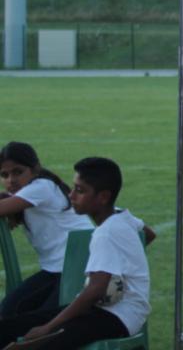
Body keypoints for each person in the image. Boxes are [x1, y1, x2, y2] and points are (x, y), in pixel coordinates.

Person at [0, 157, 151, 349]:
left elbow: (95, 291)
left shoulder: (106, 233)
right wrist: (125, 264)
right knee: (10, 327)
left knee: (42, 341)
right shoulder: (122, 216)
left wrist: (48, 328)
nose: (71, 195)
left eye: (80, 190)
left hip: (116, 316)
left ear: (103, 197)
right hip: (108, 310)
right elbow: (148, 234)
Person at [0, 142, 93, 318]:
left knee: (45, 318)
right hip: (56, 268)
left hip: (80, 266)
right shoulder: (28, 191)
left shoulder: (42, 186)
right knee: (10, 309)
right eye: (4, 175)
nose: (11, 180)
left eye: (18, 172)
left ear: (35, 169)